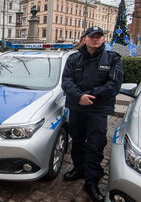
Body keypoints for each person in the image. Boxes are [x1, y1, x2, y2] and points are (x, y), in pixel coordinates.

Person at [61, 26, 123, 202]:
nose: (96, 39)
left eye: (99, 36)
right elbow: (66, 81)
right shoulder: (74, 59)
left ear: (103, 39)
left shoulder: (113, 59)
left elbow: (114, 84)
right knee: (78, 141)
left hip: (98, 109)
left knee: (95, 145)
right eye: (92, 36)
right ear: (84, 39)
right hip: (78, 107)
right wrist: (79, 96)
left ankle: (91, 181)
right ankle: (79, 169)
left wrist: (91, 95)